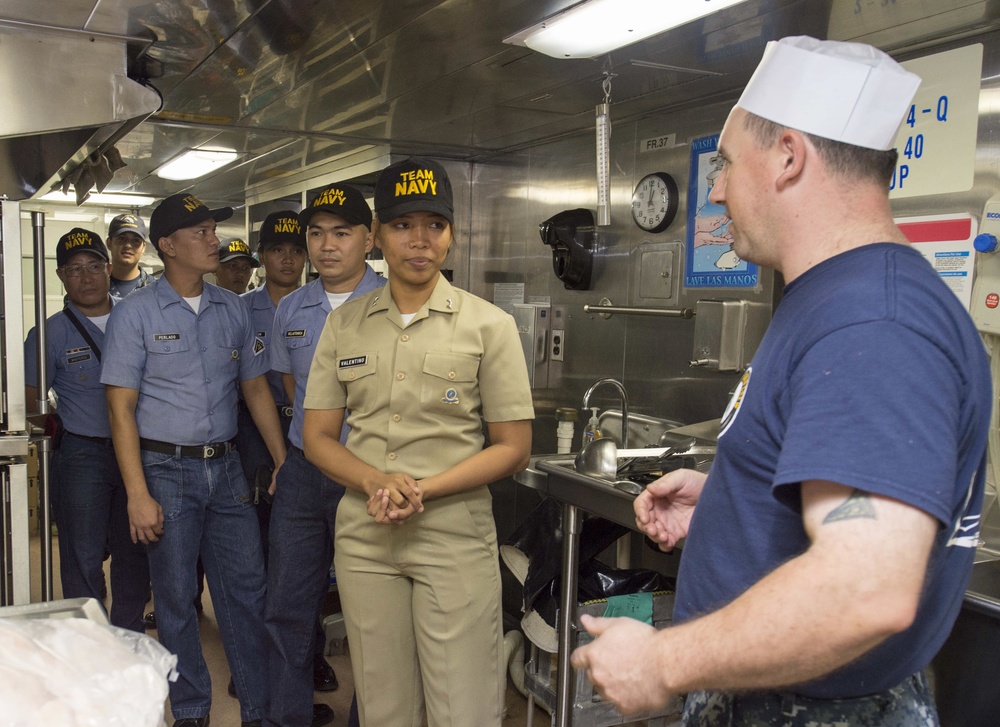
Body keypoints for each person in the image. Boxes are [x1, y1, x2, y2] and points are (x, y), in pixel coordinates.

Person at [570, 36, 991, 727]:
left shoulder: (872, 323)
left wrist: (662, 661)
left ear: (789, 157)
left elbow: (865, 588)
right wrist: (737, 502)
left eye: (728, 163)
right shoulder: (832, 298)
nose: (716, 186)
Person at [301, 157, 534, 726]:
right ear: (378, 235)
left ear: (452, 236)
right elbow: (318, 436)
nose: (420, 240)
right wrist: (375, 481)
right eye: (404, 225)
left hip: (453, 535)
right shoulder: (345, 325)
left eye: (435, 225)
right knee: (385, 708)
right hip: (366, 538)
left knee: (466, 708)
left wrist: (423, 489)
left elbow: (513, 446)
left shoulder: (489, 326)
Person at [101, 193, 287, 727]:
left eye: (212, 230)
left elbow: (254, 390)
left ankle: (257, 709)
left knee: (247, 592)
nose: (214, 241)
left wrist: (281, 460)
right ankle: (190, 708)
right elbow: (120, 408)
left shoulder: (233, 308)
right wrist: (138, 494)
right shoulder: (135, 314)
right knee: (178, 599)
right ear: (168, 246)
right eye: (201, 233)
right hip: (165, 470)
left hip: (225, 468)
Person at [264, 186, 385, 727]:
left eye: (341, 232)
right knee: (288, 604)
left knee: (372, 615)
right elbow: (293, 388)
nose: (326, 245)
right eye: (316, 233)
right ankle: (287, 717)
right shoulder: (292, 307)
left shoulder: (396, 300)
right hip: (304, 476)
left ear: (369, 238)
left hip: (369, 477)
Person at [24, 228, 149, 632]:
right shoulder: (48, 334)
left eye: (94, 266)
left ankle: (128, 639)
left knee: (135, 551)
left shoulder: (138, 317)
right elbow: (29, 403)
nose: (86, 276)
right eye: (75, 269)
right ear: (61, 276)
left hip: (142, 452)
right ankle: (91, 645)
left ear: (109, 268)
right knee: (82, 555)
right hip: (84, 457)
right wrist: (60, 423)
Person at [107, 213, 155, 299]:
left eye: (136, 241)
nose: (128, 245)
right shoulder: (96, 287)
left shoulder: (156, 289)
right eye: (121, 239)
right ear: (109, 243)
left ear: (143, 247)